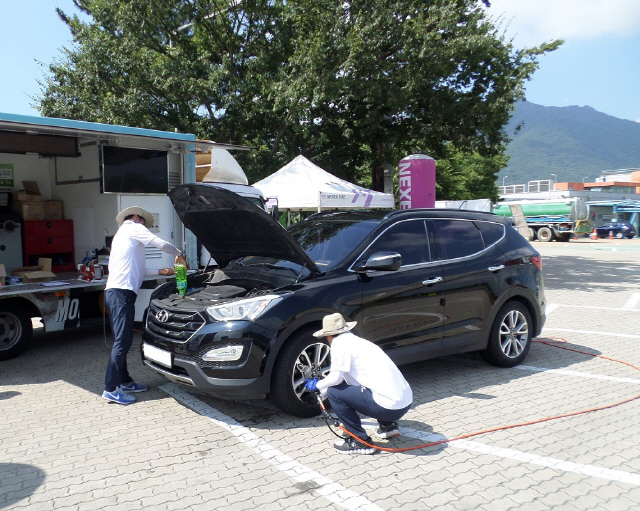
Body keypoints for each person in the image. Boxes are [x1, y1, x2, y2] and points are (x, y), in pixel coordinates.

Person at [102, 206, 185, 405]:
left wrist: (161, 272)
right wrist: (179, 252)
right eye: (144, 223)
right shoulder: (132, 227)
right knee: (123, 342)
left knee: (121, 341)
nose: (145, 227)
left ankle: (125, 381)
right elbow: (160, 244)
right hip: (121, 294)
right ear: (137, 218)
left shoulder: (122, 235)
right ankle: (111, 388)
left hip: (116, 292)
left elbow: (138, 268)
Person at [306, 313, 413, 455]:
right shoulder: (360, 342)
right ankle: (388, 426)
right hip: (404, 403)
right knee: (373, 387)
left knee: (334, 393)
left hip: (388, 407)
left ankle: (360, 441)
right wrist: (323, 390)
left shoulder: (339, 344)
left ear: (329, 336)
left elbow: (336, 379)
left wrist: (316, 385)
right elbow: (353, 382)